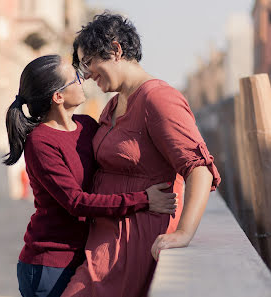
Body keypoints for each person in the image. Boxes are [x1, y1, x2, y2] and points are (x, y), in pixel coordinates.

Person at [60, 13, 221, 297]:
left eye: (88, 63)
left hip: (133, 239)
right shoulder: (112, 105)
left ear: (116, 50)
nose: (86, 75)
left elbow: (199, 169)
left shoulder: (159, 98)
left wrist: (183, 233)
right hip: (104, 237)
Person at [3, 54, 178, 297]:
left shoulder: (87, 125)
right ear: (58, 97)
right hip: (50, 264)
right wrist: (144, 199)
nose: (82, 79)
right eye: (74, 78)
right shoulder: (40, 142)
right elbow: (77, 202)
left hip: (87, 253)